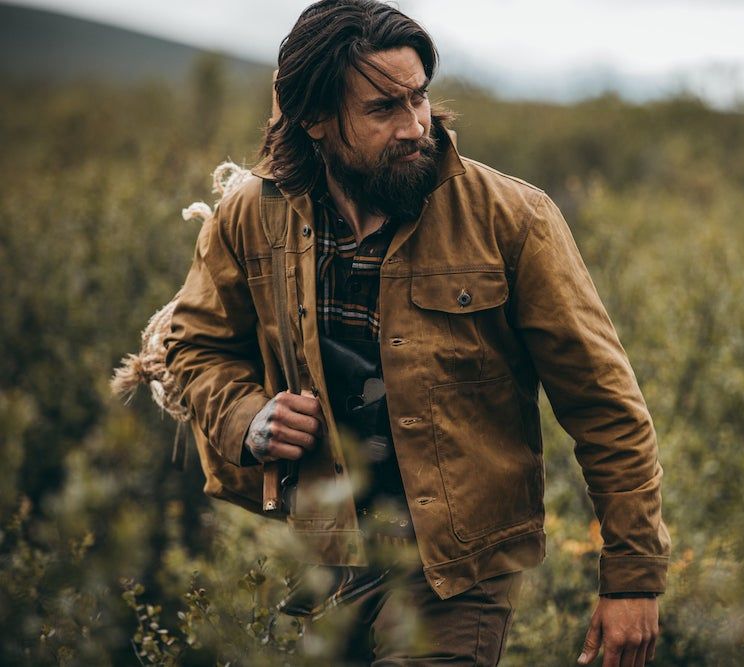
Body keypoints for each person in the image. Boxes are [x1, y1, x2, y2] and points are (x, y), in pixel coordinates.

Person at [164, 1, 671, 664]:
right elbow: (190, 345)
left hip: (456, 573)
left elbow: (604, 405)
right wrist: (248, 418)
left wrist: (633, 578)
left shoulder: (510, 219)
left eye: (419, 98)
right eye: (383, 109)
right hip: (314, 558)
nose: (414, 127)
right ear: (314, 119)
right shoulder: (251, 217)